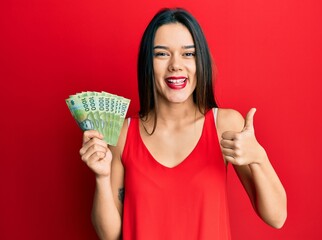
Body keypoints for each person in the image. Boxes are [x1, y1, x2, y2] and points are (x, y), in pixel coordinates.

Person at [79, 8, 287, 240]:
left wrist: (259, 157)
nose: (175, 65)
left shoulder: (225, 125)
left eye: (188, 54)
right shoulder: (123, 134)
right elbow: (110, 236)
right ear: (148, 63)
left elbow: (277, 218)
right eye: (162, 54)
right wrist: (102, 177)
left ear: (201, 62)